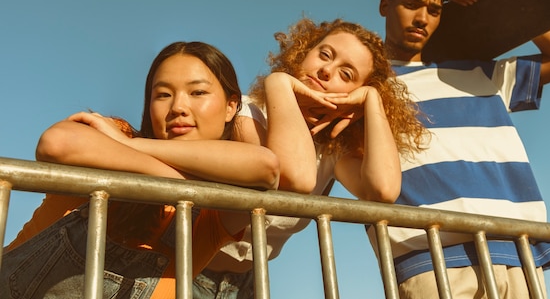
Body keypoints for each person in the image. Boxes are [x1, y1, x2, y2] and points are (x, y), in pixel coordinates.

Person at [365, 0, 550, 298]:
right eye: (411, 4)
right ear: (385, 4)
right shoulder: (368, 84)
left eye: (435, 10)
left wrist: (495, 0)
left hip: (519, 252)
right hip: (430, 258)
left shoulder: (480, 72)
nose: (422, 18)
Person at [1, 41, 280, 299]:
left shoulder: (211, 215)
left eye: (198, 92)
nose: (178, 107)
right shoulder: (116, 132)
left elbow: (266, 168)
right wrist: (180, 183)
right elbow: (57, 143)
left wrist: (131, 147)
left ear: (231, 107)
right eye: (163, 94)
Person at [192, 18, 428, 299]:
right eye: (324, 55)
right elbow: (289, 175)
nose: (327, 71)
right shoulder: (248, 113)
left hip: (246, 285)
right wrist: (279, 84)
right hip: (188, 271)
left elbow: (383, 190)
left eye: (347, 74)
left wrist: (373, 100)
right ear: (303, 52)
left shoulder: (330, 150)